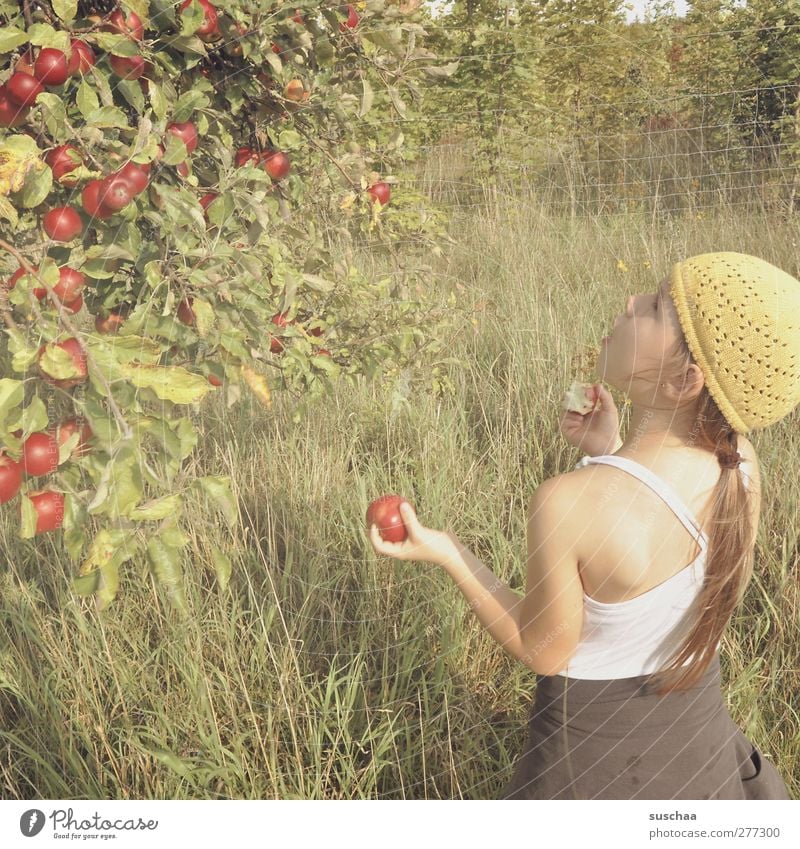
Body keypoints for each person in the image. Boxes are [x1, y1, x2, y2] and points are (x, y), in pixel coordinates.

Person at [368, 251, 797, 799]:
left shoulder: (569, 502)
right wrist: (613, 452)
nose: (630, 301)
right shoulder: (742, 467)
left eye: (657, 307)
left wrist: (451, 552)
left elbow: (544, 648)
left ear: (684, 380)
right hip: (696, 753)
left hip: (594, 770)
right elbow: (652, 543)